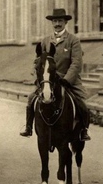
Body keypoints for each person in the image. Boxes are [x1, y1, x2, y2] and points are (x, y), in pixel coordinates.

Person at [20, 8, 91, 141]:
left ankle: (83, 130)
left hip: (67, 79)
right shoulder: (45, 41)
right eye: (55, 21)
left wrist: (67, 79)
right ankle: (28, 127)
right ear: (52, 23)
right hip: (48, 80)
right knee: (31, 99)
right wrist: (36, 74)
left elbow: (76, 63)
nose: (57, 24)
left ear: (65, 22)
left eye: (60, 21)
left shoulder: (73, 40)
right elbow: (38, 61)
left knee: (82, 102)